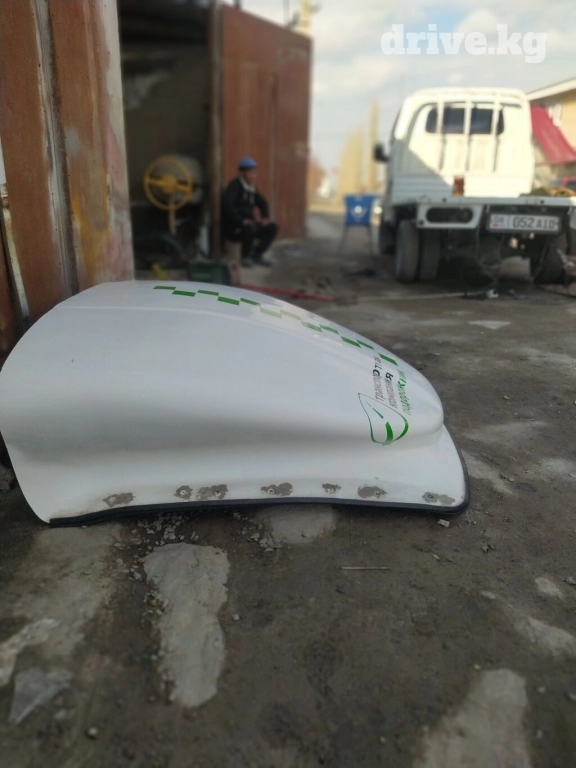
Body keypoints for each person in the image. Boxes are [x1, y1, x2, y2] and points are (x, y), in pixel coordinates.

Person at [221, 157, 278, 267]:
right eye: (250, 173)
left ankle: (257, 255)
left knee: (272, 227)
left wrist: (265, 217)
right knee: (249, 228)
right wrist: (241, 220)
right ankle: (245, 257)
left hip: (249, 224)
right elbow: (228, 207)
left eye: (254, 173)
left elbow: (263, 203)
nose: (253, 176)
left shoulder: (251, 188)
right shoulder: (234, 186)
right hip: (235, 226)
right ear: (242, 173)